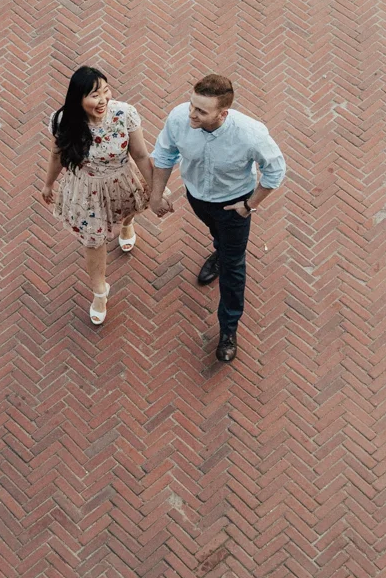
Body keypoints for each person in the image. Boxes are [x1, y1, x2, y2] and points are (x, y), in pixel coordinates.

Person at [148, 74, 286, 363]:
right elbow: (164, 155)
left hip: (233, 206)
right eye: (191, 105)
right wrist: (156, 194)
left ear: (223, 113)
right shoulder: (178, 119)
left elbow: (274, 171)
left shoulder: (250, 134)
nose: (191, 114)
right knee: (219, 241)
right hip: (197, 198)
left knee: (234, 266)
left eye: (201, 111)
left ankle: (228, 329)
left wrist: (249, 205)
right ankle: (219, 252)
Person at [41, 66, 153, 325]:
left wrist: (156, 190)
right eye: (94, 95)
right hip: (86, 190)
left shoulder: (125, 114)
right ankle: (100, 292)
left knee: (129, 209)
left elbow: (141, 155)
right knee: (93, 241)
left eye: (105, 91)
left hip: (121, 179)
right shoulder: (63, 120)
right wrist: (48, 184)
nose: (103, 100)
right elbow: (57, 155)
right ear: (78, 99)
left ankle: (127, 225)